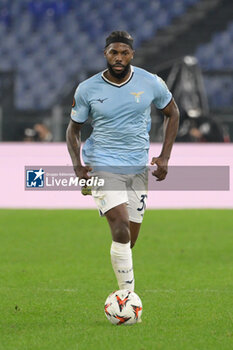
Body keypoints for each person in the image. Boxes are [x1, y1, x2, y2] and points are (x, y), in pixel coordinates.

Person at [66, 31, 179, 295]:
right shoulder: (87, 89)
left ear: (132, 55)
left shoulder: (150, 82)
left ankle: (124, 294)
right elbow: (73, 129)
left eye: (124, 53)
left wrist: (165, 156)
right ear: (105, 54)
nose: (119, 58)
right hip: (102, 162)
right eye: (113, 52)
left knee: (129, 239)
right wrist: (77, 164)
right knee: (119, 227)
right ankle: (126, 297)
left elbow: (172, 112)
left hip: (137, 166)